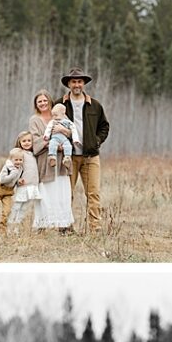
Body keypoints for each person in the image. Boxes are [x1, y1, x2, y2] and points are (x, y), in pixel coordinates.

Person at [62, 70, 111, 233]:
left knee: (93, 193)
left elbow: (104, 126)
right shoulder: (60, 104)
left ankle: (95, 228)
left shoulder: (95, 105)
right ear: (68, 84)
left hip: (90, 157)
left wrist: (96, 141)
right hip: (68, 158)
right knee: (66, 193)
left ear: (84, 84)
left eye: (80, 82)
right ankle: (66, 227)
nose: (77, 85)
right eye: (74, 82)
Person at [26, 93, 76, 232]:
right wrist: (52, 145)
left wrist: (63, 131)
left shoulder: (62, 116)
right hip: (45, 162)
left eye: (45, 100)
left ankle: (64, 226)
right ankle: (42, 226)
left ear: (50, 101)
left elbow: (72, 133)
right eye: (39, 101)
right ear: (36, 105)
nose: (42, 103)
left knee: (62, 192)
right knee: (45, 193)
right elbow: (35, 140)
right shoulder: (34, 120)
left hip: (62, 162)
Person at [0, 133, 36, 236]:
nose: (18, 162)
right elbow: (3, 179)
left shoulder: (20, 168)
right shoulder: (8, 167)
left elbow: (14, 178)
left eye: (20, 160)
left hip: (9, 192)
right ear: (11, 160)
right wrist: (13, 174)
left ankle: (2, 230)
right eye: (16, 160)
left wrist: (18, 181)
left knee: (7, 212)